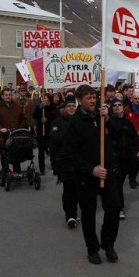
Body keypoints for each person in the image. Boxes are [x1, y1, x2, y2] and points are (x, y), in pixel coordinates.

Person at [64, 84, 121, 264]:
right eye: (88, 97)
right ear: (79, 100)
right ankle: (92, 248)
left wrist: (109, 119)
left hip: (108, 171)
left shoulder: (101, 115)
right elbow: (70, 153)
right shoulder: (74, 123)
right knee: (88, 213)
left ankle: (108, 244)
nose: (92, 100)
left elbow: (118, 135)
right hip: (87, 176)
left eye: (93, 96)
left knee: (113, 207)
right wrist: (91, 169)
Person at [109, 99, 139, 218]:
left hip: (126, 158)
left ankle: (113, 199)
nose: (117, 107)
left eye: (119, 105)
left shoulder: (128, 122)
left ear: (123, 108)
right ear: (112, 109)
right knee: (117, 183)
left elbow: (135, 138)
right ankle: (120, 208)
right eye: (115, 105)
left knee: (119, 181)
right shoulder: (109, 122)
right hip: (114, 159)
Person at [49, 96, 79, 228]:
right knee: (69, 189)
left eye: (73, 106)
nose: (71, 108)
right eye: (69, 106)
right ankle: (70, 215)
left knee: (78, 189)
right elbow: (54, 137)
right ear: (64, 109)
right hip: (64, 161)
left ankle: (74, 210)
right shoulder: (57, 122)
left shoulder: (80, 121)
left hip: (79, 160)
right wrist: (69, 133)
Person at [0, 88, 27, 174]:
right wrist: (0, 128)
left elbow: (23, 119)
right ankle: (6, 172)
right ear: (2, 96)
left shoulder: (17, 106)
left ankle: (17, 172)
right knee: (4, 154)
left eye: (10, 95)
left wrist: (20, 128)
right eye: (6, 95)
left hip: (15, 134)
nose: (8, 97)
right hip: (3, 135)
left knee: (16, 153)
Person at [32, 93, 56, 175]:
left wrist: (47, 120)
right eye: (43, 98)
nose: (43, 99)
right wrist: (40, 110)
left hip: (51, 131)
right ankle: (42, 168)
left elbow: (55, 119)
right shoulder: (41, 107)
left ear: (49, 99)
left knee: (52, 150)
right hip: (41, 131)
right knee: (41, 151)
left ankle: (54, 165)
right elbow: (34, 115)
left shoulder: (53, 107)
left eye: (45, 98)